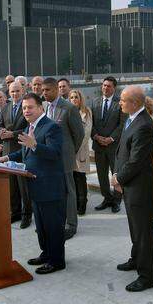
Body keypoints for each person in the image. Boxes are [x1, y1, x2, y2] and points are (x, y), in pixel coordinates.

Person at [0, 93, 66, 274]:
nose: (26, 111)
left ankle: (57, 261)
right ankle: (46, 253)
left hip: (49, 187)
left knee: (53, 226)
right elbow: (25, 153)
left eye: (30, 107)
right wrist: (7, 157)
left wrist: (35, 145)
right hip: (34, 185)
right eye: (24, 108)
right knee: (41, 226)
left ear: (40, 108)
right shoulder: (30, 127)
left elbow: (55, 153)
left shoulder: (51, 127)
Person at [111, 85, 153, 291]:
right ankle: (136, 258)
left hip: (139, 187)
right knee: (134, 229)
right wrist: (119, 178)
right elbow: (123, 151)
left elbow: (137, 160)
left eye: (122, 99)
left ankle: (147, 276)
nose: (119, 102)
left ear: (135, 103)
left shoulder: (144, 125)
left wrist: (118, 178)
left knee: (143, 233)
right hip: (130, 184)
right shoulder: (132, 119)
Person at [43, 78, 84, 239]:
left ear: (56, 90)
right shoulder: (45, 107)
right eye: (43, 90)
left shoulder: (69, 108)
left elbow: (79, 134)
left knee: (68, 191)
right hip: (48, 157)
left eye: (47, 90)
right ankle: (56, 221)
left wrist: (70, 152)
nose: (44, 93)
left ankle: (71, 225)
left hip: (64, 157)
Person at [0, 82, 32, 228]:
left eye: (17, 91)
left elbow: (29, 127)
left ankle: (27, 215)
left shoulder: (27, 107)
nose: (15, 94)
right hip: (7, 150)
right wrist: (0, 131)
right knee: (11, 185)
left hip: (22, 150)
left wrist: (13, 134)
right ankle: (15, 212)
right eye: (12, 92)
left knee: (23, 186)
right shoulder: (5, 107)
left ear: (23, 90)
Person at [90, 76, 123, 214]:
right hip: (98, 146)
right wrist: (96, 136)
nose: (105, 88)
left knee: (115, 175)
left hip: (113, 147)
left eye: (108, 86)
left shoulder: (120, 103)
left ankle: (116, 201)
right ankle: (107, 198)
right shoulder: (95, 102)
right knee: (101, 175)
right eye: (104, 85)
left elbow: (122, 124)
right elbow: (90, 124)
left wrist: (111, 139)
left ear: (114, 88)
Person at [69, 88, 92, 218]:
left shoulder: (86, 112)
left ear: (80, 99)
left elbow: (86, 133)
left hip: (80, 150)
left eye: (76, 97)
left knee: (80, 178)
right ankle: (75, 203)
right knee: (72, 179)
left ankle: (82, 204)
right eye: (71, 97)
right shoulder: (68, 112)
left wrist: (74, 148)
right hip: (69, 152)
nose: (73, 100)